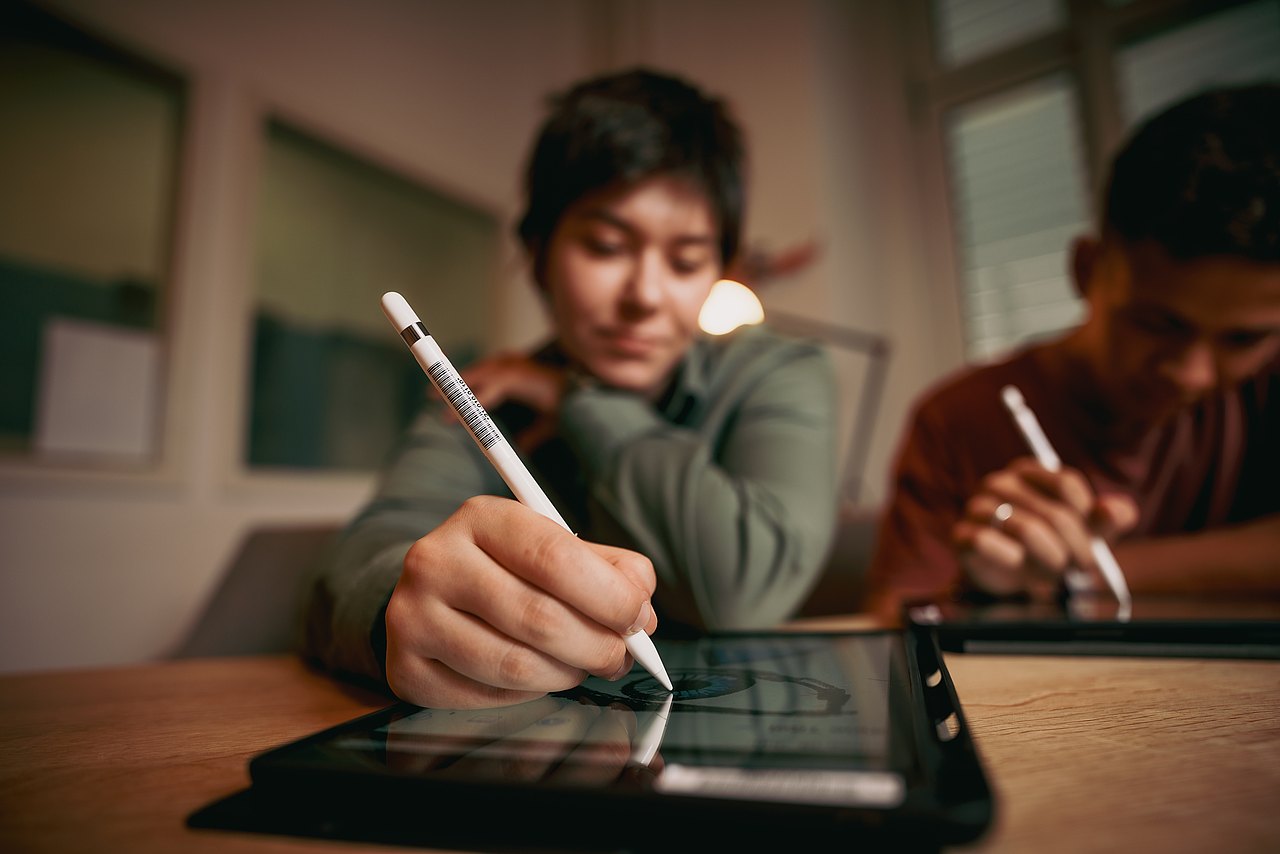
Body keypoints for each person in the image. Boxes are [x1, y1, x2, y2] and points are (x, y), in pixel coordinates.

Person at [304, 68, 840, 709]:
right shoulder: (484, 395)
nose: (644, 296)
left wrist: (576, 401)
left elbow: (742, 588)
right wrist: (403, 610)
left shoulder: (778, 373)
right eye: (608, 246)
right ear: (538, 253)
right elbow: (350, 572)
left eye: (687, 261)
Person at [868, 83, 1280, 612]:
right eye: (1158, 323)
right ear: (1087, 268)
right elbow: (895, 620)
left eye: (1243, 339)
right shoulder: (956, 420)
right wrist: (979, 586)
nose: (1192, 373)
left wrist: (1080, 573)